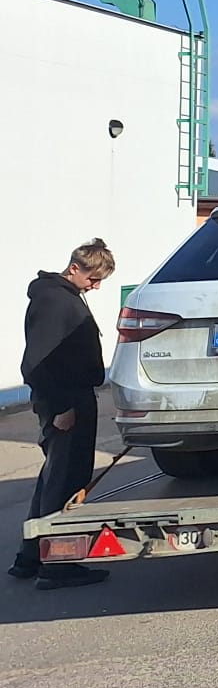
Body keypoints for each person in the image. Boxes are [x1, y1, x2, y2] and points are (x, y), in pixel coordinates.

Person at [9, 239, 116, 590]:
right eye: (93, 278)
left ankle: (30, 557)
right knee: (66, 483)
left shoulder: (62, 296)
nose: (96, 286)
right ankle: (56, 565)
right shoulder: (56, 301)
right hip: (65, 402)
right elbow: (38, 363)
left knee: (53, 479)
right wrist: (61, 408)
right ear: (74, 268)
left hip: (70, 397)